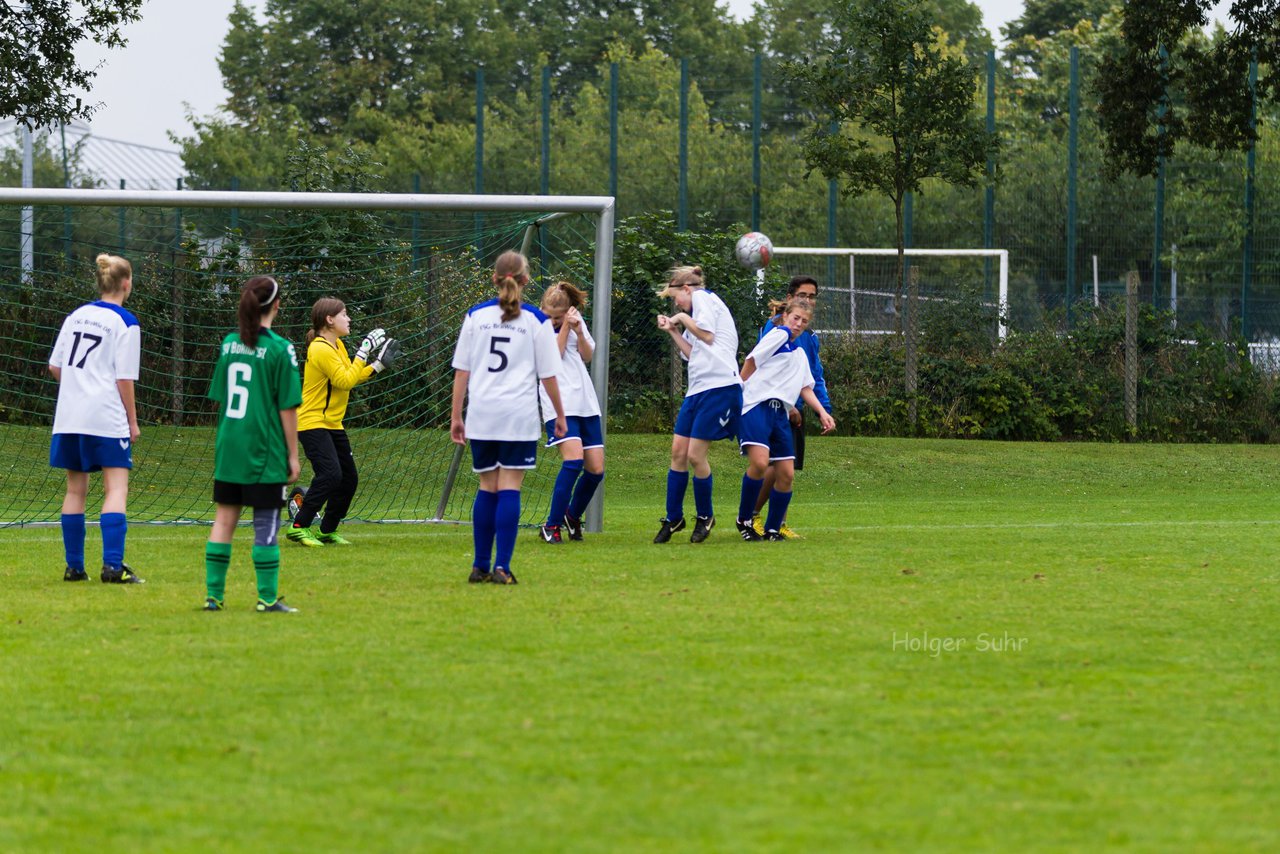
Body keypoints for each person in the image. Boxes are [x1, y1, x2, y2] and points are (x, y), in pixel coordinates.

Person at [451, 250, 566, 585]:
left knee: (487, 486)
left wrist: (456, 416)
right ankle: (502, 567)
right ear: (526, 281)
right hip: (518, 415)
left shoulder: (475, 316)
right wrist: (560, 415)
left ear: (494, 279)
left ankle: (479, 565)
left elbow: (462, 371)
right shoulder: (536, 321)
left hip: (483, 413)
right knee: (510, 487)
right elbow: (549, 376)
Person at [203, 276, 304, 612]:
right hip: (264, 447)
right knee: (265, 523)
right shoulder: (280, 348)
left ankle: (213, 597)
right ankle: (266, 598)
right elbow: (287, 406)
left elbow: (220, 396)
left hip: (230, 445)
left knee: (224, 520)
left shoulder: (229, 343)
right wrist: (293, 454)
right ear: (275, 305)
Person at [48, 253, 143, 584]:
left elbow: (55, 366)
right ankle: (113, 568)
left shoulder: (76, 315)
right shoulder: (126, 322)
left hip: (70, 416)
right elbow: (125, 379)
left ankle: (74, 568)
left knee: (76, 490)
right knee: (115, 488)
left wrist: (79, 387)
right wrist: (132, 422)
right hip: (105, 415)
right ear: (126, 283)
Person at [285, 297, 399, 547]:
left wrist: (376, 366)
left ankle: (327, 530)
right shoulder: (319, 348)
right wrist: (364, 349)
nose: (348, 319)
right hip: (312, 422)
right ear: (329, 319)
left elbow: (349, 375)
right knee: (330, 474)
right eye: (344, 314)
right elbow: (344, 382)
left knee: (348, 478)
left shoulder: (337, 347)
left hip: (332, 424)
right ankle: (299, 526)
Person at [653, 265, 742, 544]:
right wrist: (673, 330)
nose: (675, 303)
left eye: (675, 297)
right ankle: (674, 517)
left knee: (694, 455)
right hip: (698, 390)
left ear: (687, 289)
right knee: (678, 452)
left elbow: (707, 336)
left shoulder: (704, 299)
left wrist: (679, 316)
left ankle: (705, 516)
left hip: (720, 387)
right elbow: (692, 353)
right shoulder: (695, 314)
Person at [736, 295, 836, 541]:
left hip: (780, 413)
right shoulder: (778, 334)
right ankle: (745, 519)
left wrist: (822, 412)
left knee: (786, 474)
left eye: (804, 321)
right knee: (760, 465)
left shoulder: (799, 353)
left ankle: (772, 529)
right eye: (795, 318)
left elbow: (805, 388)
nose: (799, 323)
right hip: (757, 407)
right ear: (785, 317)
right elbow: (751, 360)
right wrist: (738, 390)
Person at [536, 281, 605, 544]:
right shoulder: (538, 327)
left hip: (585, 402)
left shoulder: (575, 322)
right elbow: (554, 356)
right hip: (558, 405)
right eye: (549, 314)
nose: (552, 319)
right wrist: (565, 326)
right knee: (573, 461)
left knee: (596, 470)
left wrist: (577, 328)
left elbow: (588, 355)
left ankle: (572, 516)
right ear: (542, 309)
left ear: (569, 310)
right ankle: (551, 525)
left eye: (559, 316)